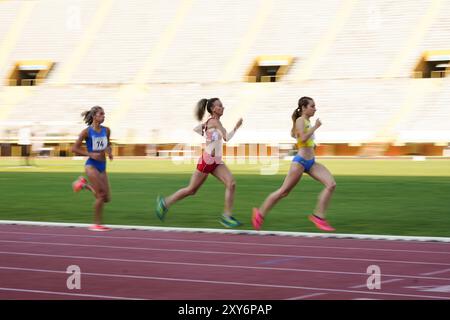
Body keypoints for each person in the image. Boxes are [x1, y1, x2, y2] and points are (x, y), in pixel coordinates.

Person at [156, 98, 243, 228]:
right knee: (191, 190)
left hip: (216, 161)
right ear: (213, 109)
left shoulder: (211, 122)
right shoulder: (214, 121)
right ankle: (164, 203)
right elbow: (227, 138)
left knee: (231, 183)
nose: (223, 107)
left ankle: (226, 217)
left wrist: (208, 136)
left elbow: (197, 129)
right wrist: (236, 127)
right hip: (207, 161)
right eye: (220, 106)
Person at [252, 97, 336, 231]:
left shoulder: (307, 121)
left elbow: (303, 140)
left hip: (311, 162)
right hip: (300, 162)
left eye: (314, 106)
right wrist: (316, 127)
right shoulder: (300, 120)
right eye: (312, 106)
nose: (315, 109)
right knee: (283, 192)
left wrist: (312, 144)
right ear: (303, 107)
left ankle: (318, 216)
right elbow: (302, 138)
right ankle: (260, 213)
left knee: (331, 184)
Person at [72, 106, 113, 231]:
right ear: (94, 116)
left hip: (102, 166)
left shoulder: (106, 130)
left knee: (106, 198)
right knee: (100, 195)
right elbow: (74, 149)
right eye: (101, 114)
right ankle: (96, 224)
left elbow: (108, 144)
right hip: (91, 165)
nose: (103, 116)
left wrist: (109, 152)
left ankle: (84, 185)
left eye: (104, 114)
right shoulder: (86, 132)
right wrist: (89, 154)